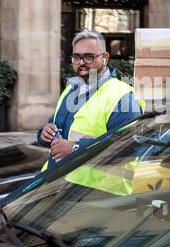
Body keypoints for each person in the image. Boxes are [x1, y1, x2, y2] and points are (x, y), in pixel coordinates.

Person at [37, 30, 143, 170]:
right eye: (76, 57)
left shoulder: (123, 97)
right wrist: (44, 134)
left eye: (88, 57)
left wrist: (75, 148)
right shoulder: (71, 90)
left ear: (105, 57)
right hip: (57, 184)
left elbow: (128, 147)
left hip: (97, 190)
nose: (81, 63)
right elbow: (57, 130)